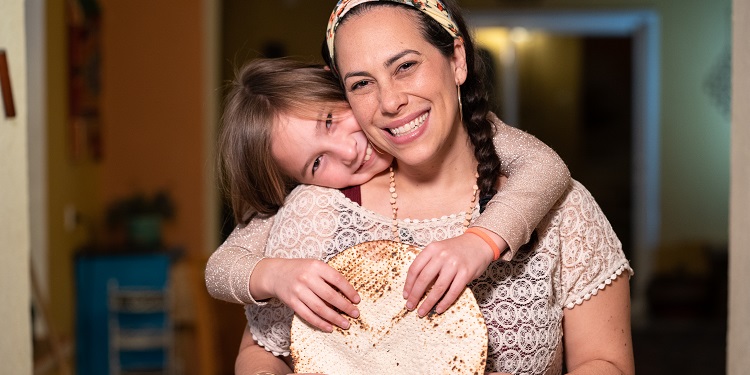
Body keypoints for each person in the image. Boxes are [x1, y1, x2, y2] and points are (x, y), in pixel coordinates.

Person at [230, 0, 635, 374]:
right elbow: (262, 350)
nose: (389, 102)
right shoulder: (317, 210)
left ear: (457, 60)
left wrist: (482, 239)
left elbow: (605, 360)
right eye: (361, 84)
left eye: (405, 66)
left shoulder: (560, 206)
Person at [206, 57, 570, 333]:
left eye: (330, 121)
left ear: (345, 87)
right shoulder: (314, 203)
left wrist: (480, 241)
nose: (347, 152)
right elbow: (218, 268)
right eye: (317, 163)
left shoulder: (460, 127)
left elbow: (546, 165)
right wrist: (275, 274)